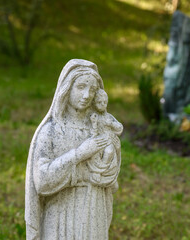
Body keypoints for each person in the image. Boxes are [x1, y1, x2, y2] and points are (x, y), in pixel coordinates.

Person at [25, 59, 121, 240]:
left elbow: (111, 179)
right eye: (81, 87)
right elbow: (42, 182)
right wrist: (79, 154)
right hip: (61, 213)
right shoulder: (51, 131)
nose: (86, 95)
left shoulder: (100, 128)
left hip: (94, 210)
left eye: (92, 90)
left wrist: (108, 162)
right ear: (67, 88)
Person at [88, 89, 123, 183]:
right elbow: (92, 133)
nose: (102, 104)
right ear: (94, 103)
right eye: (99, 102)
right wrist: (94, 123)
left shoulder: (108, 117)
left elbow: (119, 128)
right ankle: (96, 171)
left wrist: (111, 124)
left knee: (109, 151)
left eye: (105, 102)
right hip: (99, 140)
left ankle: (102, 171)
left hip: (110, 140)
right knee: (95, 152)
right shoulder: (93, 116)